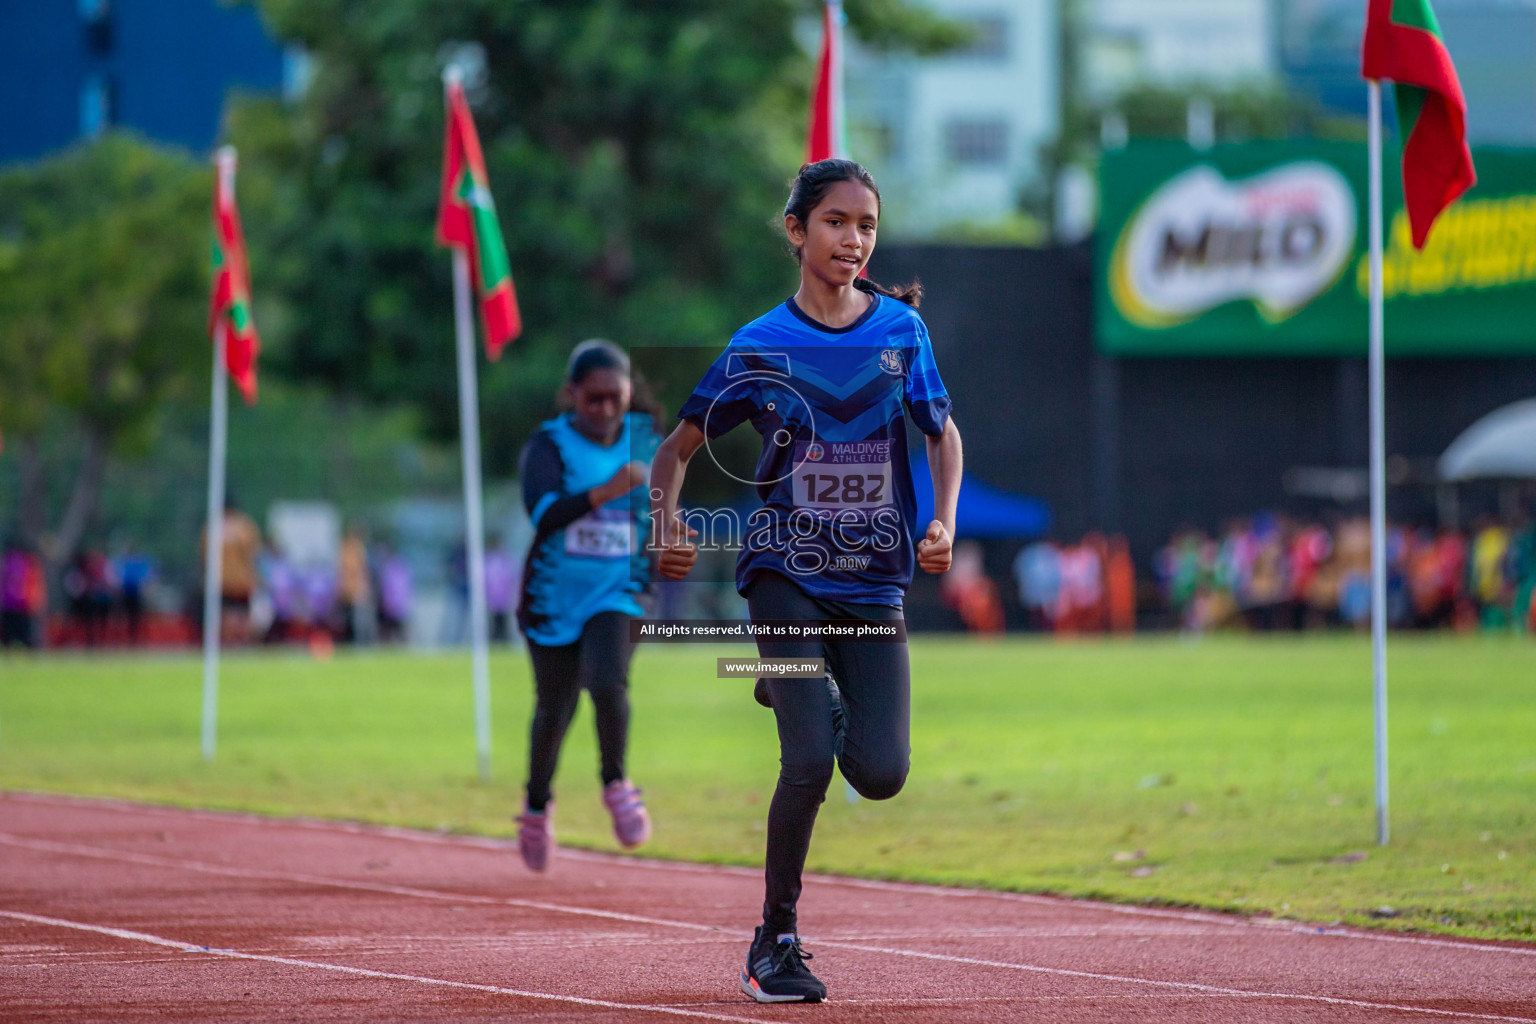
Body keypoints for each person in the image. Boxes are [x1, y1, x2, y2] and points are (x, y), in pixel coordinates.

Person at [649, 158, 961, 1004]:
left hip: (873, 583)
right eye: (834, 221)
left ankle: (801, 690)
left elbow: (944, 434)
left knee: (883, 772)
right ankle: (774, 941)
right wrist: (666, 526)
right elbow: (674, 452)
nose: (852, 238)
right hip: (782, 570)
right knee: (809, 760)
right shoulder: (760, 346)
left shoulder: (901, 333)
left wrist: (944, 521)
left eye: (865, 225)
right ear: (796, 231)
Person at [514, 339, 662, 872]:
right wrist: (608, 490)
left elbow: (661, 512)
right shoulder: (548, 445)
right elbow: (544, 514)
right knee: (555, 710)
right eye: (591, 399)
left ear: (628, 395)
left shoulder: (646, 442)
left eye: (614, 399)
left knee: (607, 680)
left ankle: (616, 784)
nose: (603, 410)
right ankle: (535, 806)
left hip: (619, 589)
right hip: (554, 595)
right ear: (571, 395)